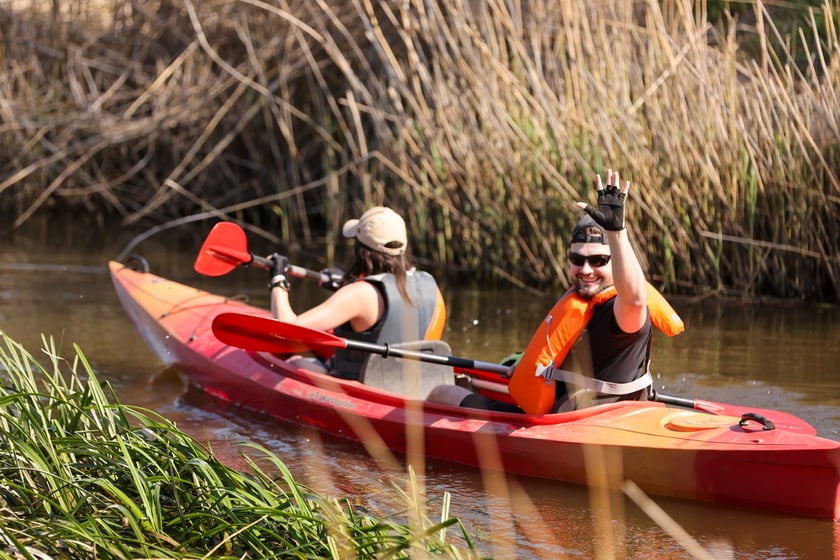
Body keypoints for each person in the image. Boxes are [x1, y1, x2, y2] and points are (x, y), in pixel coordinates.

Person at [427, 169, 683, 413]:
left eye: (598, 260)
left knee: (442, 393)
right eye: (577, 259)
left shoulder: (620, 312)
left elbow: (635, 299)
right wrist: (527, 366)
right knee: (476, 382)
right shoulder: (579, 305)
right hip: (571, 415)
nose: (586, 269)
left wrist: (616, 233)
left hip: (579, 424)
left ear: (615, 262)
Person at [268, 206, 447, 380]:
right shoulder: (431, 286)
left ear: (361, 250)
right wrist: (344, 286)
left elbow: (287, 329)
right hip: (417, 383)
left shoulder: (359, 293)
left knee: (294, 361)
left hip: (365, 386)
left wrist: (278, 278)